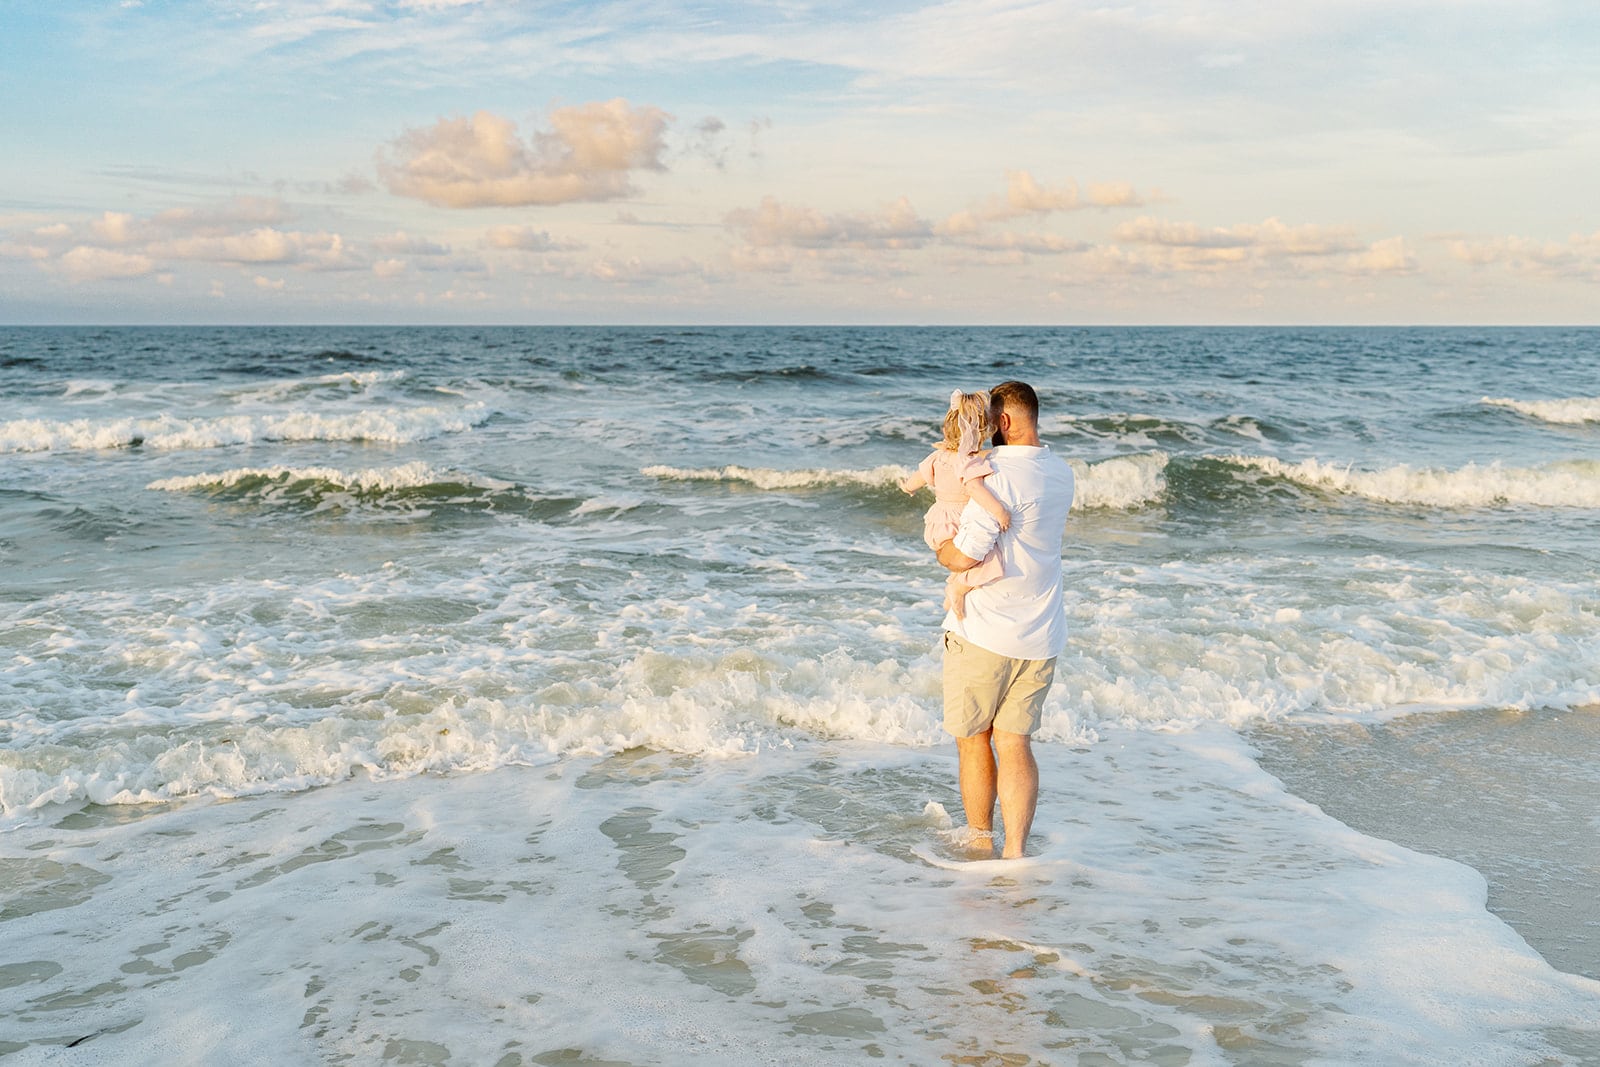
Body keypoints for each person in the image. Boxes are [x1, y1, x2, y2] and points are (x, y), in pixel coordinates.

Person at [935, 380, 1074, 859]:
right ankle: (1016, 852)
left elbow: (966, 555)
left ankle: (980, 843)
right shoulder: (1061, 472)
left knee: (973, 739)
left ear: (1005, 421)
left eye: (991, 421)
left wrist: (940, 547)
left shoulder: (994, 475)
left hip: (986, 632)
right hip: (1041, 633)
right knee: (1015, 742)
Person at [899, 390, 1011, 619]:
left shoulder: (937, 457)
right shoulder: (969, 462)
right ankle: (958, 588)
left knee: (964, 559)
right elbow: (975, 489)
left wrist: (907, 487)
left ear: (946, 429)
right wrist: (1000, 512)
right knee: (990, 559)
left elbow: (916, 479)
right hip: (960, 522)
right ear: (981, 432)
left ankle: (953, 587)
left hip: (938, 524)